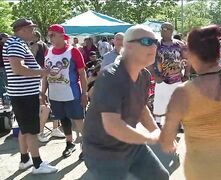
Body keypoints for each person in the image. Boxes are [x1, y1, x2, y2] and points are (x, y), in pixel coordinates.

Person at [159, 25, 221, 180]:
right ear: (218, 52)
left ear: (191, 54)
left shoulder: (183, 93)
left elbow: (166, 140)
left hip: (204, 171)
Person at [83, 25, 169, 180]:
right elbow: (113, 126)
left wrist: (156, 131)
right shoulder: (110, 76)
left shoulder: (144, 75)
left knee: (160, 176)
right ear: (128, 46)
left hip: (130, 146)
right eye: (146, 41)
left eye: (155, 41)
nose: (154, 46)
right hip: (102, 151)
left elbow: (141, 108)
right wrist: (149, 138)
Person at [2, 18, 57, 174]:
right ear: (24, 30)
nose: (33, 32)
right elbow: (18, 68)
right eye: (31, 29)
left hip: (22, 93)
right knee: (32, 131)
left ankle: (25, 160)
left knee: (25, 129)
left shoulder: (14, 43)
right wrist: (42, 72)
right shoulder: (15, 44)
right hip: (24, 94)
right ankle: (38, 164)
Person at [42, 24, 88, 158]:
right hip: (55, 94)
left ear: (62, 36)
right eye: (49, 35)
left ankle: (86, 146)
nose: (50, 38)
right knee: (63, 118)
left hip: (72, 93)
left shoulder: (73, 51)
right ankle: (69, 143)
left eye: (53, 35)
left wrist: (84, 93)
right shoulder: (48, 51)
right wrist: (43, 92)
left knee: (79, 119)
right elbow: (45, 74)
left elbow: (82, 73)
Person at [152, 22, 188, 126]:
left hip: (177, 78)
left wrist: (186, 74)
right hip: (161, 78)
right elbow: (149, 60)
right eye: (162, 28)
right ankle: (158, 123)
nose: (163, 30)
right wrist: (155, 76)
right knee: (159, 101)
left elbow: (187, 59)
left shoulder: (180, 45)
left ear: (171, 31)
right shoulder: (156, 45)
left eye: (166, 29)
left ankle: (180, 124)